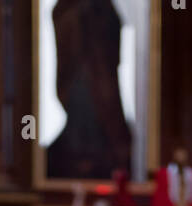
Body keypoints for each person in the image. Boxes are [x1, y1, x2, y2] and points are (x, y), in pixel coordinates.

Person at [47, 0, 132, 182]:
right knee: (81, 103)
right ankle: (79, 150)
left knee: (104, 115)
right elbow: (60, 18)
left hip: (100, 74)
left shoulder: (105, 7)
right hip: (79, 74)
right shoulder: (66, 8)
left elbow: (113, 32)